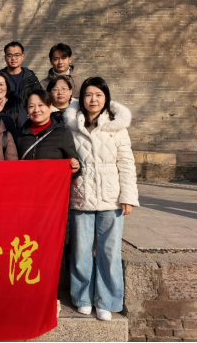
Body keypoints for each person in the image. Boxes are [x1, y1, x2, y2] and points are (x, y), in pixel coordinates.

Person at [63, 77, 139, 322]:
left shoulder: (117, 127)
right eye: (88, 95)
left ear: (106, 98)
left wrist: (128, 196)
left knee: (109, 251)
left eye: (98, 95)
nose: (93, 100)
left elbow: (126, 163)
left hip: (111, 197)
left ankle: (107, 300)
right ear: (81, 98)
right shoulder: (72, 126)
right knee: (81, 250)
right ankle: (82, 297)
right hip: (81, 196)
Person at [15, 89, 81, 318]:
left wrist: (75, 166)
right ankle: (27, 292)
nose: (36, 110)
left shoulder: (61, 133)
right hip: (26, 203)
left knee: (52, 250)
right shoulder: (20, 134)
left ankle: (53, 295)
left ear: (50, 107)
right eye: (31, 106)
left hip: (52, 205)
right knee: (26, 247)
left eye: (41, 105)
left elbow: (75, 164)